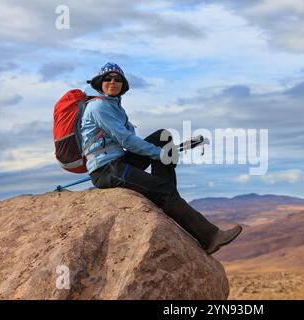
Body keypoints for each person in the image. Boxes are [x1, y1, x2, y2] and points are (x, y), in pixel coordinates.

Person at [81, 62, 242, 255]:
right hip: (107, 170)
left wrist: (162, 152)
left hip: (118, 162)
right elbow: (127, 140)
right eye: (108, 79)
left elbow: (131, 142)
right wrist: (160, 154)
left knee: (162, 136)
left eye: (117, 79)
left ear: (123, 84)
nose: (113, 82)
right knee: (163, 185)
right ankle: (210, 237)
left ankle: (167, 198)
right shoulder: (99, 107)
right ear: (100, 83)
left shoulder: (115, 107)